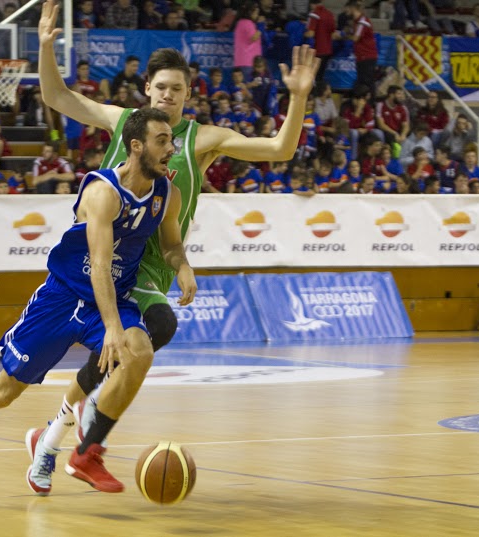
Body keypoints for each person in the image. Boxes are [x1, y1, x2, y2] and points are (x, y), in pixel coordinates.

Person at [24, 0, 318, 495]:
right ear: (147, 90)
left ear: (187, 95)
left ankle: (51, 438)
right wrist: (47, 46)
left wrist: (299, 98)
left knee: (117, 355)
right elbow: (56, 95)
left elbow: (279, 150)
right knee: (152, 330)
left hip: (157, 265)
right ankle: (83, 448)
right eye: (160, 87)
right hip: (113, 262)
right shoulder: (123, 122)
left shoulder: (202, 139)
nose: (167, 96)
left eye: (177, 90)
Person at [0, 108, 197, 496]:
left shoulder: (168, 194)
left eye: (171, 140)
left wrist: (182, 266)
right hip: (63, 297)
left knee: (140, 351)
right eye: (161, 141)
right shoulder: (103, 192)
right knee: (3, 394)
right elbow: (98, 264)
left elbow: (171, 244)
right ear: (135, 146)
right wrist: (112, 326)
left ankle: (87, 450)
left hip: (109, 299)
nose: (170, 149)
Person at [345, 0, 377, 95]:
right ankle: (364, 102)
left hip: (367, 56)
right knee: (362, 81)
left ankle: (371, 104)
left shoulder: (363, 22)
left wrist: (344, 36)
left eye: (347, 9)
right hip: (361, 56)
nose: (346, 11)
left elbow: (355, 38)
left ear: (352, 8)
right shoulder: (356, 22)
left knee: (368, 82)